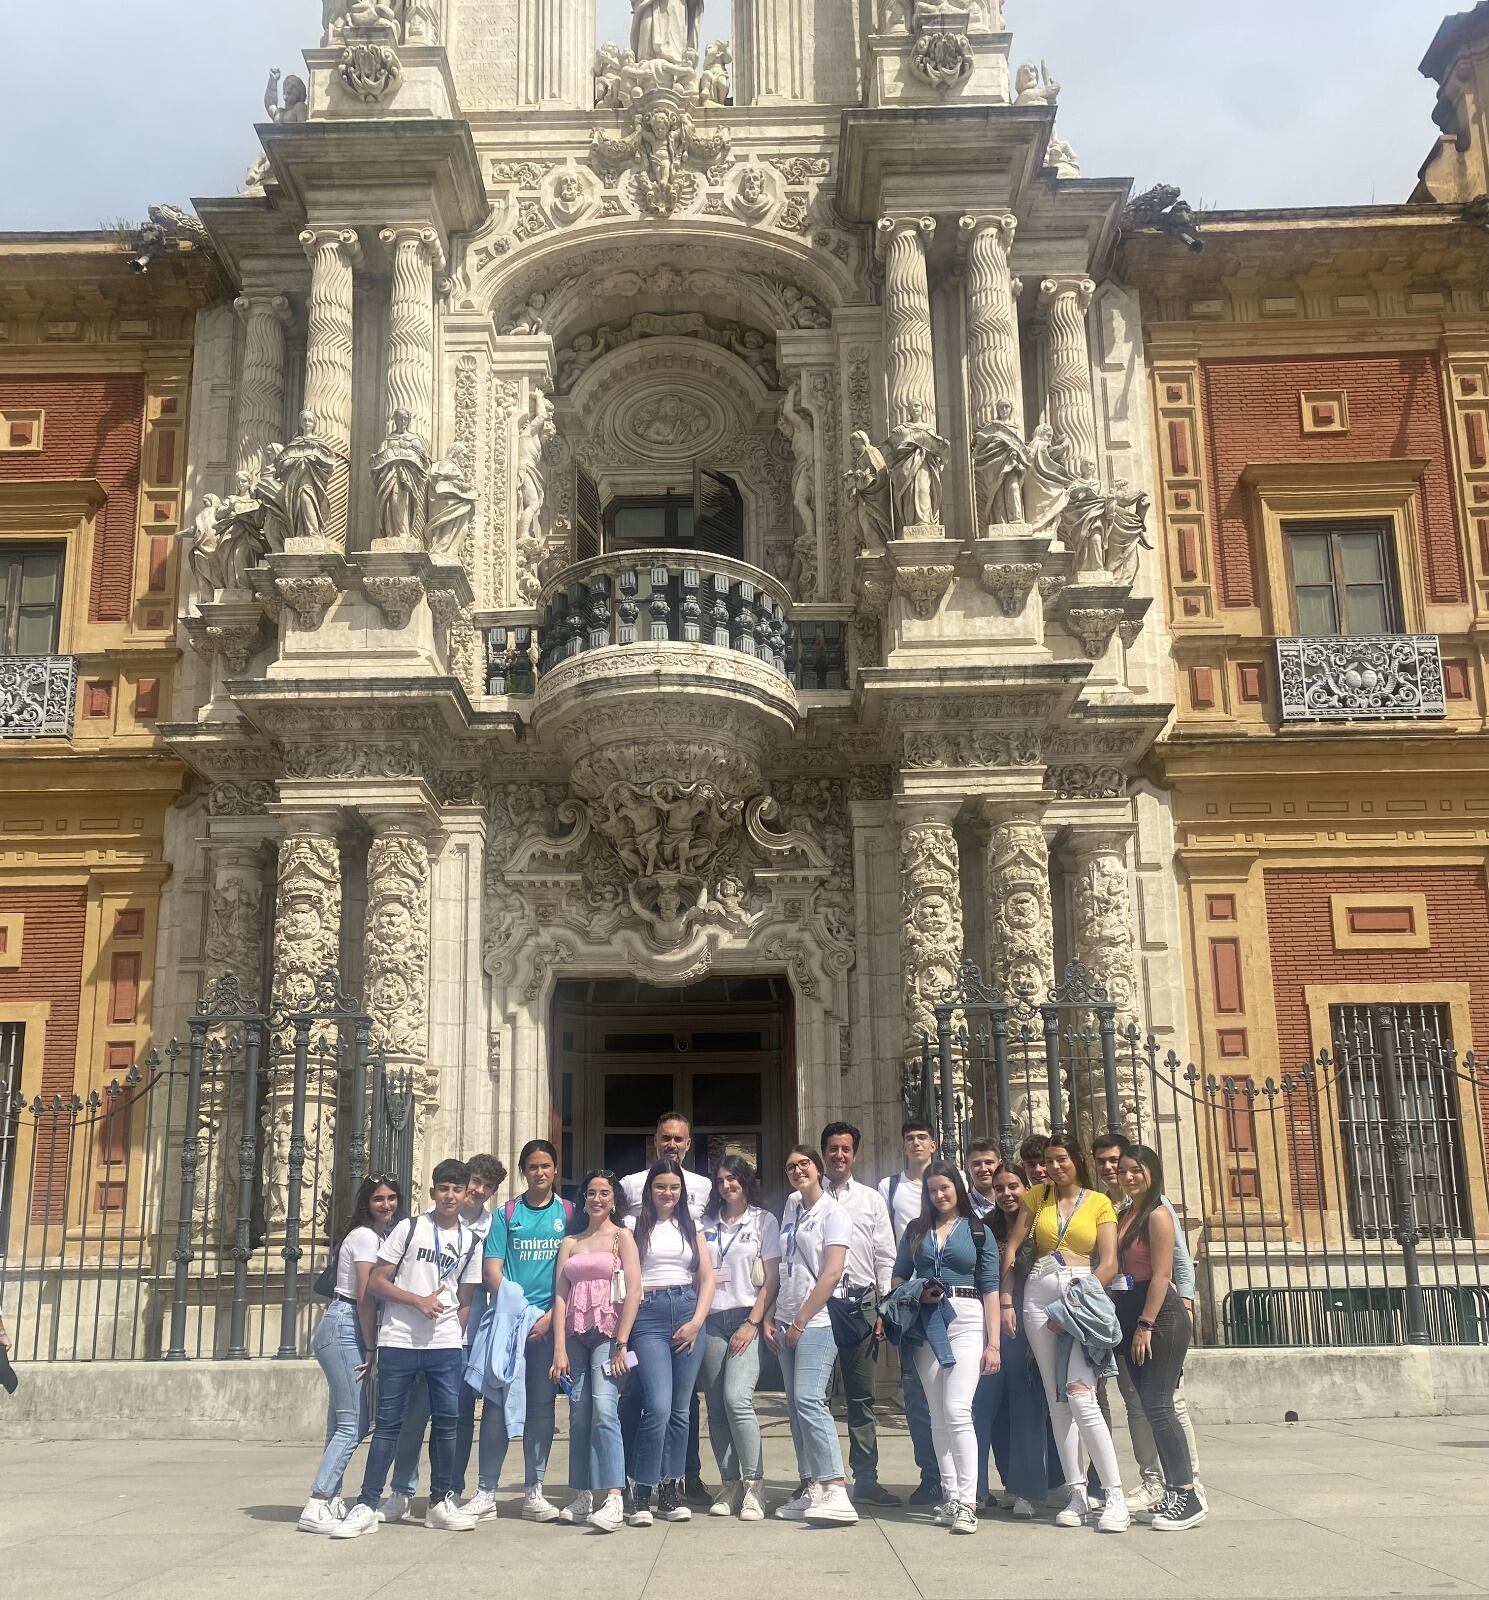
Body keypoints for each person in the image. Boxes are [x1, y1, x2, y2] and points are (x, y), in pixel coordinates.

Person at [333, 1159, 485, 1539]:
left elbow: (465, 1300)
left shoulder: (471, 1242)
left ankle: (440, 1502)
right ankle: (367, 1504)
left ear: (467, 1194)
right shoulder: (410, 1227)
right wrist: (417, 1301)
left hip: (445, 1346)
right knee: (388, 1426)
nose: (450, 1195)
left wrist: (452, 1334)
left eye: (457, 1189)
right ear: (432, 1191)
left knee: (447, 1426)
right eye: (443, 1188)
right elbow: (376, 1283)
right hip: (399, 1339)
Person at [997, 1133, 1130, 1533]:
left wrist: (1071, 1308)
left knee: (1080, 1394)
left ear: (1076, 1161)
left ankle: (1114, 1493)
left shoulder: (1099, 1202)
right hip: (1038, 1290)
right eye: (1049, 1162)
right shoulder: (1037, 1198)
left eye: (1061, 1160)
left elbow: (1107, 1263)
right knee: (1057, 1400)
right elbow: (1014, 1247)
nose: (1054, 1168)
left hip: (1079, 1292)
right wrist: (1007, 1300)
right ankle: (1075, 1493)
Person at [381, 1153, 504, 1521]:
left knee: (457, 1418)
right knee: (413, 1416)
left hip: (463, 1333)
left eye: (488, 1187)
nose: (478, 1192)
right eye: (476, 1182)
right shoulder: (419, 1225)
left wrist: (461, 1332)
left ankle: (448, 1492)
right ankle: (401, 1490)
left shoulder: (488, 1227)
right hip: (417, 1333)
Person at [890, 1161, 1000, 1535]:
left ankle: (969, 1500)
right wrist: (909, 1291)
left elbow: (991, 1288)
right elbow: (899, 1273)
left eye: (945, 1188)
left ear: (958, 1187)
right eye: (933, 1190)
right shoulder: (916, 1230)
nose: (939, 1194)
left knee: (957, 1408)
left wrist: (994, 1343)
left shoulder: (977, 1231)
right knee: (937, 1413)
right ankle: (951, 1494)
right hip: (925, 1317)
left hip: (966, 1316)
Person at [466, 1140, 572, 1522]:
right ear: (523, 1170)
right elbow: (491, 1271)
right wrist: (522, 1312)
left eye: (546, 1166)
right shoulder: (506, 1214)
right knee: (495, 1407)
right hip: (510, 1326)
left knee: (542, 1408)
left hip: (549, 1325)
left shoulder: (569, 1213)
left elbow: (577, 1272)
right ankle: (486, 1490)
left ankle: (534, 1490)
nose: (539, 1172)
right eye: (532, 1166)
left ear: (555, 1170)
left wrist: (548, 1318)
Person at [299, 1174, 404, 1534]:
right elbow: (364, 1296)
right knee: (354, 1423)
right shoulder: (364, 1237)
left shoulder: (378, 1237)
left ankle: (329, 1498)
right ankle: (317, 1500)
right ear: (366, 1203)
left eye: (391, 1198)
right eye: (379, 1199)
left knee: (339, 1422)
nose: (386, 1205)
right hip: (345, 1324)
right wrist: (371, 1345)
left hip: (342, 1325)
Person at [619, 1111, 712, 1501]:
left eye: (674, 1188)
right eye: (665, 1137)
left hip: (688, 1310)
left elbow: (707, 1275)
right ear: (654, 1140)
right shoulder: (631, 1210)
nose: (667, 1193)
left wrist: (696, 1321)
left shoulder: (697, 1208)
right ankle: (638, 1483)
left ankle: (675, 1483)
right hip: (648, 1314)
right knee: (652, 1405)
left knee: (681, 1408)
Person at [1113, 1146, 1206, 1531]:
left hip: (1159, 1316)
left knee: (1159, 1403)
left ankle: (1188, 1493)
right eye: (1123, 1171)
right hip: (1131, 1309)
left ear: (1152, 1172)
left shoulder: (1158, 1215)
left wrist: (1146, 1325)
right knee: (1151, 1407)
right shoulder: (1126, 1214)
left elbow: (1163, 1275)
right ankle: (1172, 1491)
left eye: (1137, 1170)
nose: (1129, 1176)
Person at [768, 1145, 858, 1525]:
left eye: (804, 1164)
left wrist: (802, 1319)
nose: (797, 1171)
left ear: (819, 1169)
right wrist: (774, 1317)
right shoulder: (792, 1207)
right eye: (790, 1166)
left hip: (816, 1322)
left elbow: (832, 1272)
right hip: (786, 1319)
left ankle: (835, 1486)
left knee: (809, 1400)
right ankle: (812, 1486)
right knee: (794, 1407)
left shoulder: (834, 1214)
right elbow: (784, 1266)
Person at [550, 1169, 642, 1534]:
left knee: (605, 1410)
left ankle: (614, 1496)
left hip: (608, 1335)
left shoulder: (623, 1237)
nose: (598, 1199)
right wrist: (559, 1347)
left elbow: (633, 1290)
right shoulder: (570, 1242)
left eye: (604, 1193)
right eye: (591, 1193)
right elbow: (560, 1296)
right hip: (574, 1333)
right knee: (578, 1414)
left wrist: (622, 1342)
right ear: (584, 1199)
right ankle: (583, 1492)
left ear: (613, 1199)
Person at [820, 1121, 899, 1506]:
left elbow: (886, 1255)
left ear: (855, 1154)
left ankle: (865, 1478)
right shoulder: (801, 1198)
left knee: (861, 1396)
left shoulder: (870, 1199)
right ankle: (816, 1478)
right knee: (814, 1396)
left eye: (845, 1149)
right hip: (817, 1306)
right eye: (832, 1148)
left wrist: (884, 1306)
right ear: (823, 1153)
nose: (838, 1155)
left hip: (861, 1303)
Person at [698, 1155, 780, 1520]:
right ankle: (729, 1483)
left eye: (734, 1179)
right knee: (715, 1406)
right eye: (721, 1180)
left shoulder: (764, 1221)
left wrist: (752, 1322)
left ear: (746, 1181)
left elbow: (772, 1280)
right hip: (712, 1320)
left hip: (745, 1316)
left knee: (736, 1399)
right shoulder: (704, 1224)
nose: (727, 1185)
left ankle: (754, 1485)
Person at [972, 1164, 1049, 1517]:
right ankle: (980, 1486)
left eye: (1013, 1186)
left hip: (1030, 1320)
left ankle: (1026, 1490)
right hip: (994, 1323)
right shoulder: (986, 1227)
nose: (1006, 1194)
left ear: (1026, 1186)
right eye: (1000, 1188)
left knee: (1026, 1405)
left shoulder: (1040, 1222)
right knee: (990, 1408)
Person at [877, 1119, 941, 1503]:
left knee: (955, 1394)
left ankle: (965, 1477)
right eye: (909, 1139)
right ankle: (930, 1474)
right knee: (916, 1395)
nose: (916, 1144)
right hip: (911, 1298)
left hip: (952, 1294)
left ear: (933, 1144)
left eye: (922, 1138)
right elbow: (887, 1248)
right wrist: (889, 1303)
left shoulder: (953, 1180)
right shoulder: (890, 1187)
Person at [965, 1140, 1002, 1219]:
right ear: (968, 1168)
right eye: (976, 1164)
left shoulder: (1013, 1201)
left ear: (1000, 1165)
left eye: (989, 1162)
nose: (983, 1169)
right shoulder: (962, 1207)